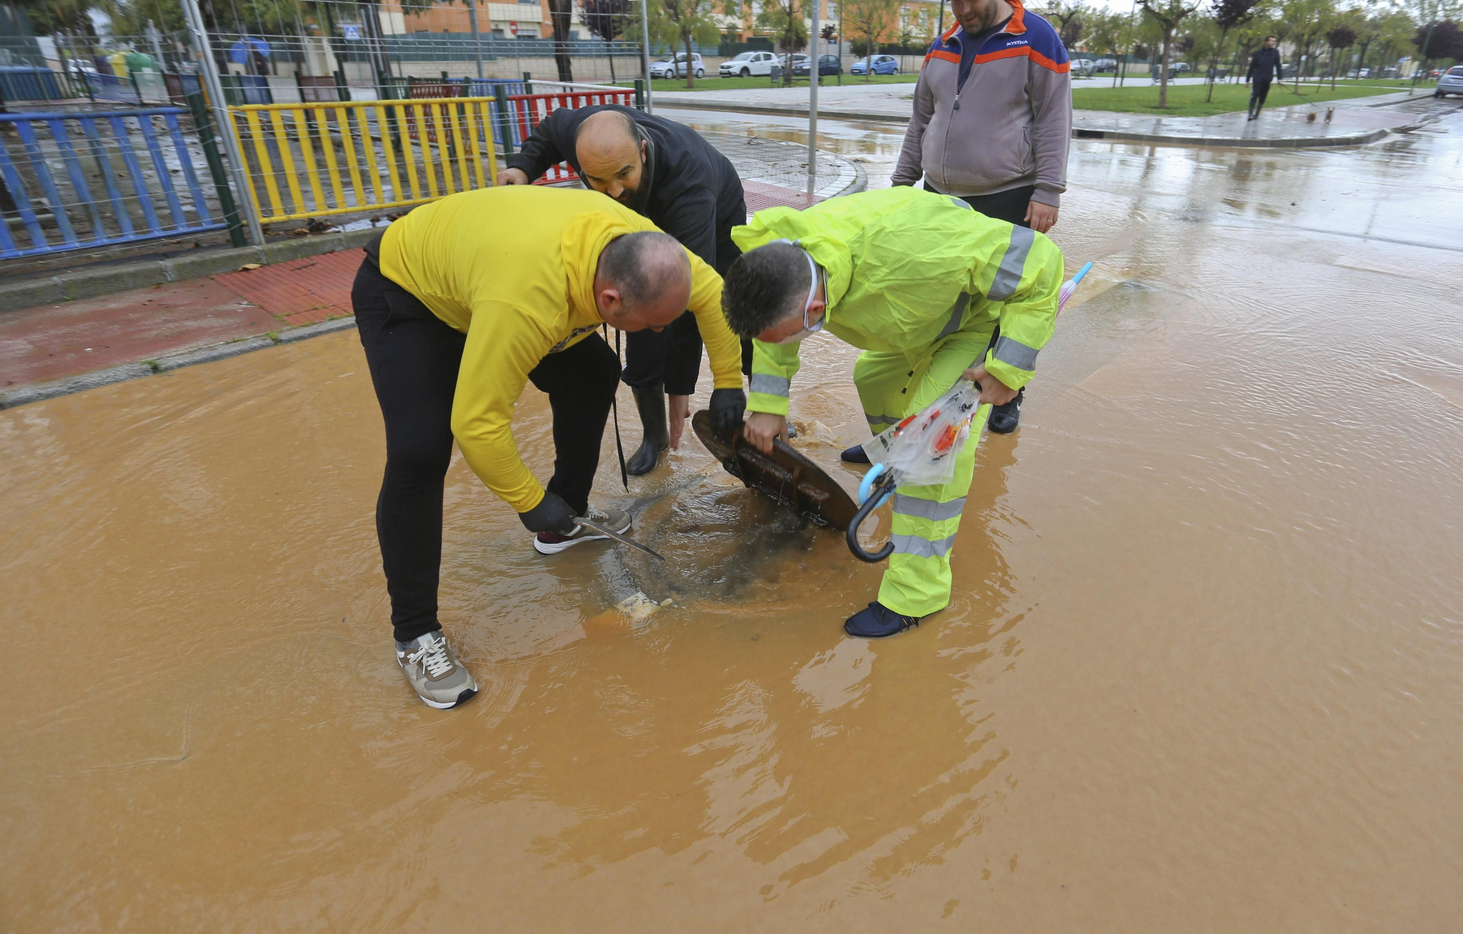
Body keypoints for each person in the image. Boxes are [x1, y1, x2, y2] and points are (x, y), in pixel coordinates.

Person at [353, 186, 746, 709]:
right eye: (651, 324)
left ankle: (564, 523)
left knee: (594, 373)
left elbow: (714, 294)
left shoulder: (644, 251)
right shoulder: (527, 303)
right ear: (609, 301)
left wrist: (727, 383)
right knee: (420, 450)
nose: (660, 331)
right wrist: (528, 499)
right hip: (410, 295)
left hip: (488, 274)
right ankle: (416, 636)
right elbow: (478, 424)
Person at [720, 186, 1064, 639]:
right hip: (916, 319)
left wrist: (1007, 369)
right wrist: (767, 406)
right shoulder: (786, 258)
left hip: (975, 320)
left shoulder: (922, 250)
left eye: (788, 337)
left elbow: (1042, 261)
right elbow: (775, 336)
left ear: (817, 310)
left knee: (932, 443)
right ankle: (895, 457)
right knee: (874, 380)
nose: (780, 347)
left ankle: (916, 594)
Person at [497, 106, 747, 476]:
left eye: (623, 174)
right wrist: (523, 167)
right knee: (637, 315)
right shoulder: (584, 136)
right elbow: (550, 130)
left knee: (733, 307)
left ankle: (763, 406)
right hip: (643, 221)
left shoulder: (691, 186)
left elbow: (694, 298)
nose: (614, 192)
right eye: (598, 181)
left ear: (642, 151)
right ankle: (654, 436)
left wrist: (683, 385)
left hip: (714, 213)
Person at [890, 0, 1072, 438]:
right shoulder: (942, 46)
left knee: (1004, 300)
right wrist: (900, 186)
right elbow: (920, 121)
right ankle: (933, 396)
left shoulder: (1035, 38)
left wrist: (1048, 190)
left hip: (1007, 193)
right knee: (940, 301)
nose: (963, 8)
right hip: (941, 197)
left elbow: (1055, 119)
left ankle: (1007, 390)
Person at [1246, 36, 1285, 121]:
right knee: (1254, 95)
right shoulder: (1258, 53)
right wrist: (1247, 80)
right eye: (1272, 41)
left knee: (1262, 97)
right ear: (1266, 42)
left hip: (1267, 78)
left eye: (1274, 41)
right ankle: (1250, 114)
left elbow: (1278, 65)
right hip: (1257, 77)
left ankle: (1256, 114)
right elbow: (1252, 67)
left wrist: (1279, 78)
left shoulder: (1275, 52)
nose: (1273, 43)